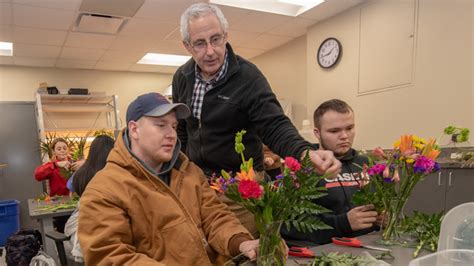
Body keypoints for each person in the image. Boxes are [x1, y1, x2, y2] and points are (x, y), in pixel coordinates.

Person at [172, 2, 341, 236]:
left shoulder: (248, 77)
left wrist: (304, 153)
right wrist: (182, 169)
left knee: (242, 252)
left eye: (216, 39)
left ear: (226, 36)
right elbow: (182, 129)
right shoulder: (182, 77)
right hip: (199, 185)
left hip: (241, 189)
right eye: (200, 43)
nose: (210, 51)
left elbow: (274, 125)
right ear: (187, 46)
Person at [78, 93, 260, 265]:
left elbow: (214, 216)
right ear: (134, 129)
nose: (172, 134)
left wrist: (241, 242)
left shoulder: (189, 171)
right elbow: (108, 257)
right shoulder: (104, 189)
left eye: (173, 126)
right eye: (161, 125)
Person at [282, 99, 379, 245]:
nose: (344, 136)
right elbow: (287, 225)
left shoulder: (366, 164)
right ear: (317, 133)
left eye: (349, 128)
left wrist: (383, 216)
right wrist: (343, 223)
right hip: (326, 252)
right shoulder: (302, 169)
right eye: (334, 131)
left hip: (370, 245)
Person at [63, 135, 115, 263]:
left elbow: (70, 190)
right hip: (106, 226)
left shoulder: (81, 172)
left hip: (82, 225)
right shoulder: (113, 172)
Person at [34, 138, 83, 232]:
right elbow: (37, 175)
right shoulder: (51, 165)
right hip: (60, 207)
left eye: (65, 148)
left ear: (68, 150)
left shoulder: (75, 163)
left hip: (76, 204)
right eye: (59, 149)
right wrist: (56, 165)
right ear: (54, 151)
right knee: (63, 231)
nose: (62, 151)